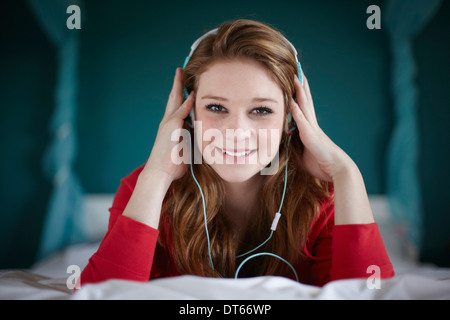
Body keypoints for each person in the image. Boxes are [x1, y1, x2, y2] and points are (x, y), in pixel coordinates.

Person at [79, 19, 394, 287]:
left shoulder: (325, 196)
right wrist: (157, 177)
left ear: (291, 118)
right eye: (216, 107)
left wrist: (347, 174)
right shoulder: (145, 188)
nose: (236, 132)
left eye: (260, 110)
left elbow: (368, 294)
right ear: (189, 114)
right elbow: (102, 294)